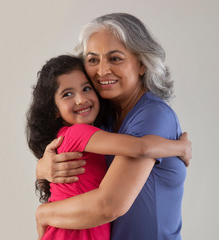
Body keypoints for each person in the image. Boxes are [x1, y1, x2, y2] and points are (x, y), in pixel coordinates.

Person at [35, 13, 191, 240]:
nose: (102, 71)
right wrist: (41, 168)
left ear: (141, 64)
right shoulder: (102, 117)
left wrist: (43, 213)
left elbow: (109, 205)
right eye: (92, 60)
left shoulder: (152, 116)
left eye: (115, 58)